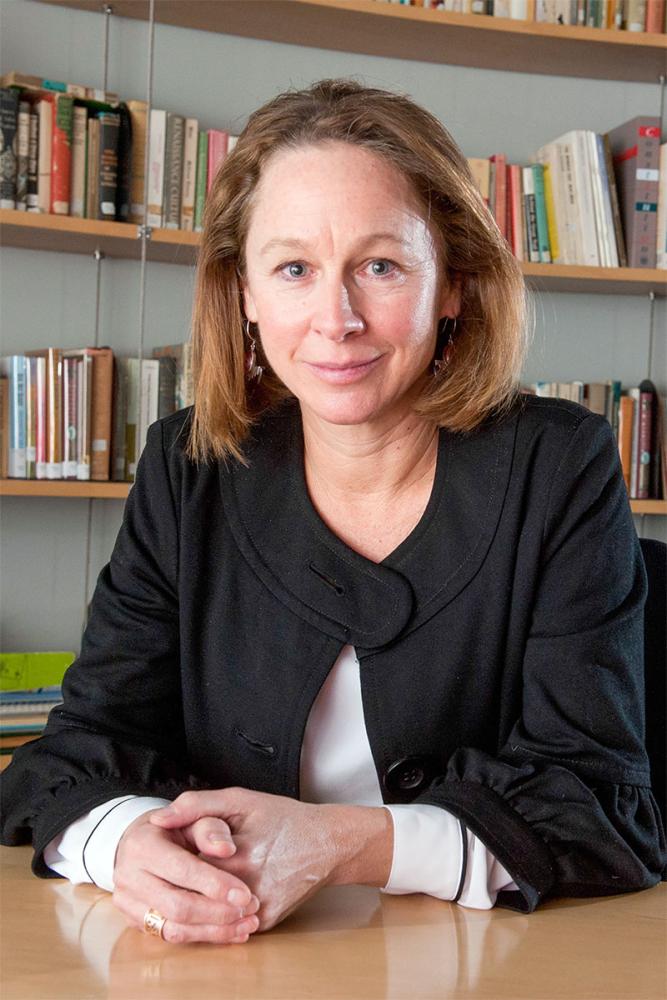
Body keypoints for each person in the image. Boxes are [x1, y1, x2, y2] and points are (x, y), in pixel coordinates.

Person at [1, 79, 665, 947]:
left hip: (488, 963)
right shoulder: (186, 467)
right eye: (293, 269)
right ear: (243, 293)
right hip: (231, 956)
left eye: (380, 266)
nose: (336, 318)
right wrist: (120, 838)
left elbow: (604, 806)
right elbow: (82, 750)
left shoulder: (559, 465)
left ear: (453, 285)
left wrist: (344, 845)